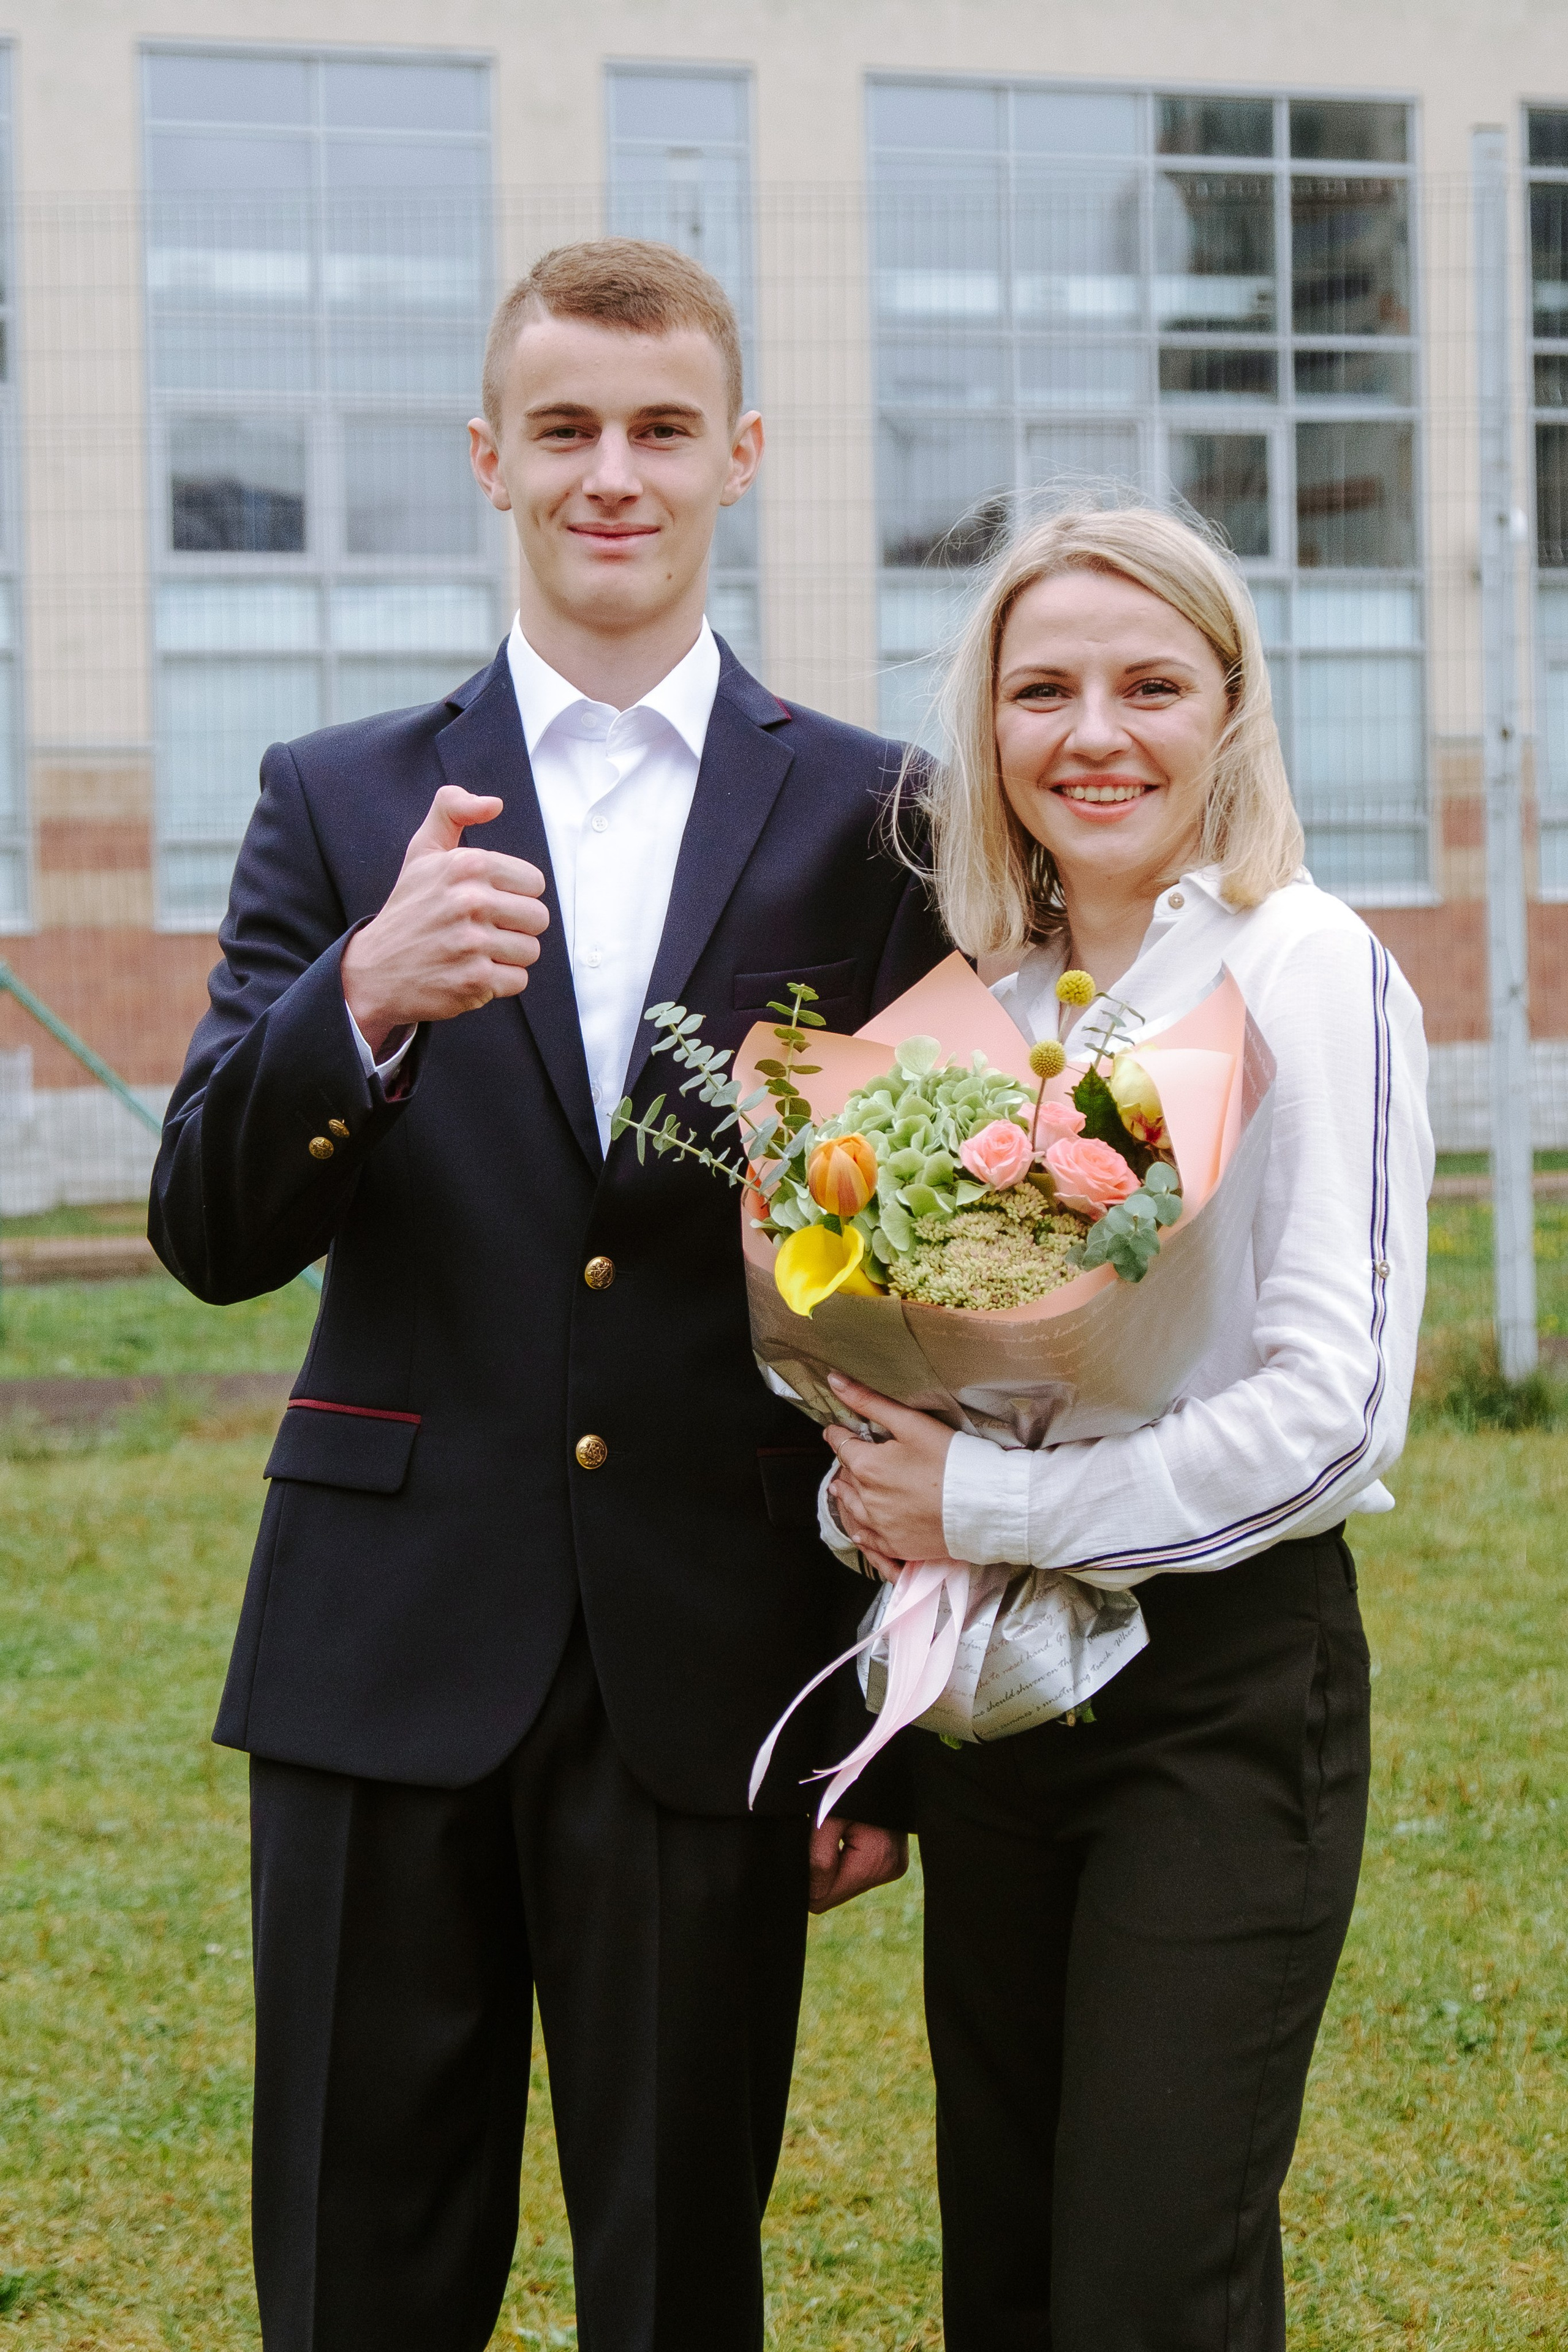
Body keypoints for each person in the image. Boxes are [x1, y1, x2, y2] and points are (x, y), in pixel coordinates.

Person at [148, 238, 946, 2352]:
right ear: (492, 457)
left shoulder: (876, 819)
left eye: (664, 429)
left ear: (740, 458)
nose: (618, 472)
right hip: (379, 1647)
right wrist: (358, 1005)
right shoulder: (336, 799)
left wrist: (883, 1717)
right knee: (355, 2260)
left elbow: (919, 1303)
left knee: (679, 2272)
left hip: (710, 1660)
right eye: (569, 429)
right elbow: (208, 1229)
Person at [823, 502, 1433, 2351]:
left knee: (1149, 2282)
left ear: (1230, 712)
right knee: (1007, 2269)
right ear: (989, 731)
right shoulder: (973, 1012)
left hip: (1221, 1698)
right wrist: (874, 1478)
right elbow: (940, 1359)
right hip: (1001, 1705)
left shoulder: (1308, 963)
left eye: (1151, 684)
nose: (1097, 732)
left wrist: (986, 1498)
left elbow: (1333, 1418)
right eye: (1045, 690)